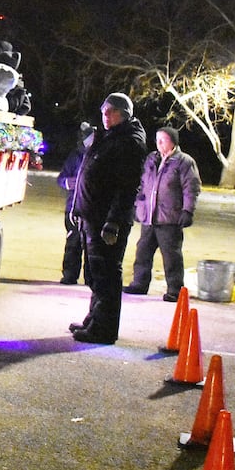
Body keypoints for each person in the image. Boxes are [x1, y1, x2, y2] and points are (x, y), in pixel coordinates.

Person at [68, 92, 147, 344]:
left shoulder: (129, 142)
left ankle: (104, 330)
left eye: (110, 112)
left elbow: (126, 188)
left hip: (106, 221)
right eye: (103, 111)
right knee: (94, 274)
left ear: (123, 114)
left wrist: (113, 222)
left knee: (106, 276)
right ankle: (95, 319)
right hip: (92, 217)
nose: (105, 116)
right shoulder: (110, 137)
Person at [123, 127, 201, 301]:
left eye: (163, 140)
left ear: (173, 142)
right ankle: (139, 284)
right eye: (157, 140)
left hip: (169, 219)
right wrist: (138, 206)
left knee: (171, 256)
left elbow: (192, 188)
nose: (159, 144)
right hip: (149, 217)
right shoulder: (151, 159)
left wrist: (188, 210)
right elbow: (142, 185)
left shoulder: (184, 162)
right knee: (142, 252)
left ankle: (175, 290)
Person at [57, 121, 95, 285]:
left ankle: (90, 277)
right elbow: (61, 178)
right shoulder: (76, 156)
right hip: (73, 207)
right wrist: (67, 182)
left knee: (91, 245)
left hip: (92, 209)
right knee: (73, 242)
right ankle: (69, 275)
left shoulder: (101, 156)